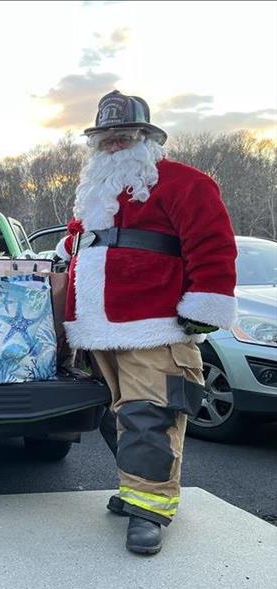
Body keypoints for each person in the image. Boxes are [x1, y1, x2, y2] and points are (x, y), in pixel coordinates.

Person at [55, 91, 237, 555]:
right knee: (114, 416)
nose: (114, 145)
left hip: (153, 323)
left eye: (124, 135)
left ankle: (150, 508)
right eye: (106, 138)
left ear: (148, 138)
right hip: (98, 329)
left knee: (149, 415)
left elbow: (213, 247)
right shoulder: (95, 194)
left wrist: (203, 308)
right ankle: (137, 489)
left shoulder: (185, 183)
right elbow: (81, 245)